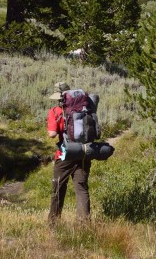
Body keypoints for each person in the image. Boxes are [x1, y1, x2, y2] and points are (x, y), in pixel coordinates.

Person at [47, 81, 91, 224]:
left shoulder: (55, 111)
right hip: (84, 151)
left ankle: (53, 223)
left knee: (58, 187)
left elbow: (52, 134)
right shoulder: (86, 109)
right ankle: (84, 225)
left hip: (65, 152)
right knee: (81, 188)